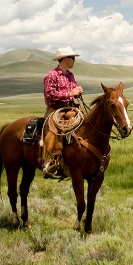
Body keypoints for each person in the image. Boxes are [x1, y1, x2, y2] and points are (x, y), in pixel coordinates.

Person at [42, 46, 83, 177]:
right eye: (73, 58)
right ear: (65, 59)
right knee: (56, 129)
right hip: (55, 109)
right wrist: (70, 93)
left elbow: (74, 90)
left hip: (70, 108)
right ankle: (52, 161)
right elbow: (50, 95)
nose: (74, 61)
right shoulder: (51, 75)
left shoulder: (70, 75)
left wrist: (77, 91)